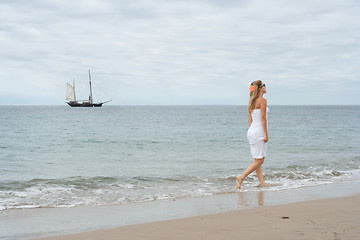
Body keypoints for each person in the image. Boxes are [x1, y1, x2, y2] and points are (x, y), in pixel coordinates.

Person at [236, 80, 269, 189]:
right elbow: (263, 118)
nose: (265, 87)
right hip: (259, 131)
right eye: (264, 85)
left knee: (257, 159)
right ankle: (242, 177)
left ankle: (262, 182)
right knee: (260, 160)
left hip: (251, 131)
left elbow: (250, 119)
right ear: (260, 89)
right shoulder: (262, 101)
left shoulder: (251, 101)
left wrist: (251, 131)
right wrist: (266, 134)